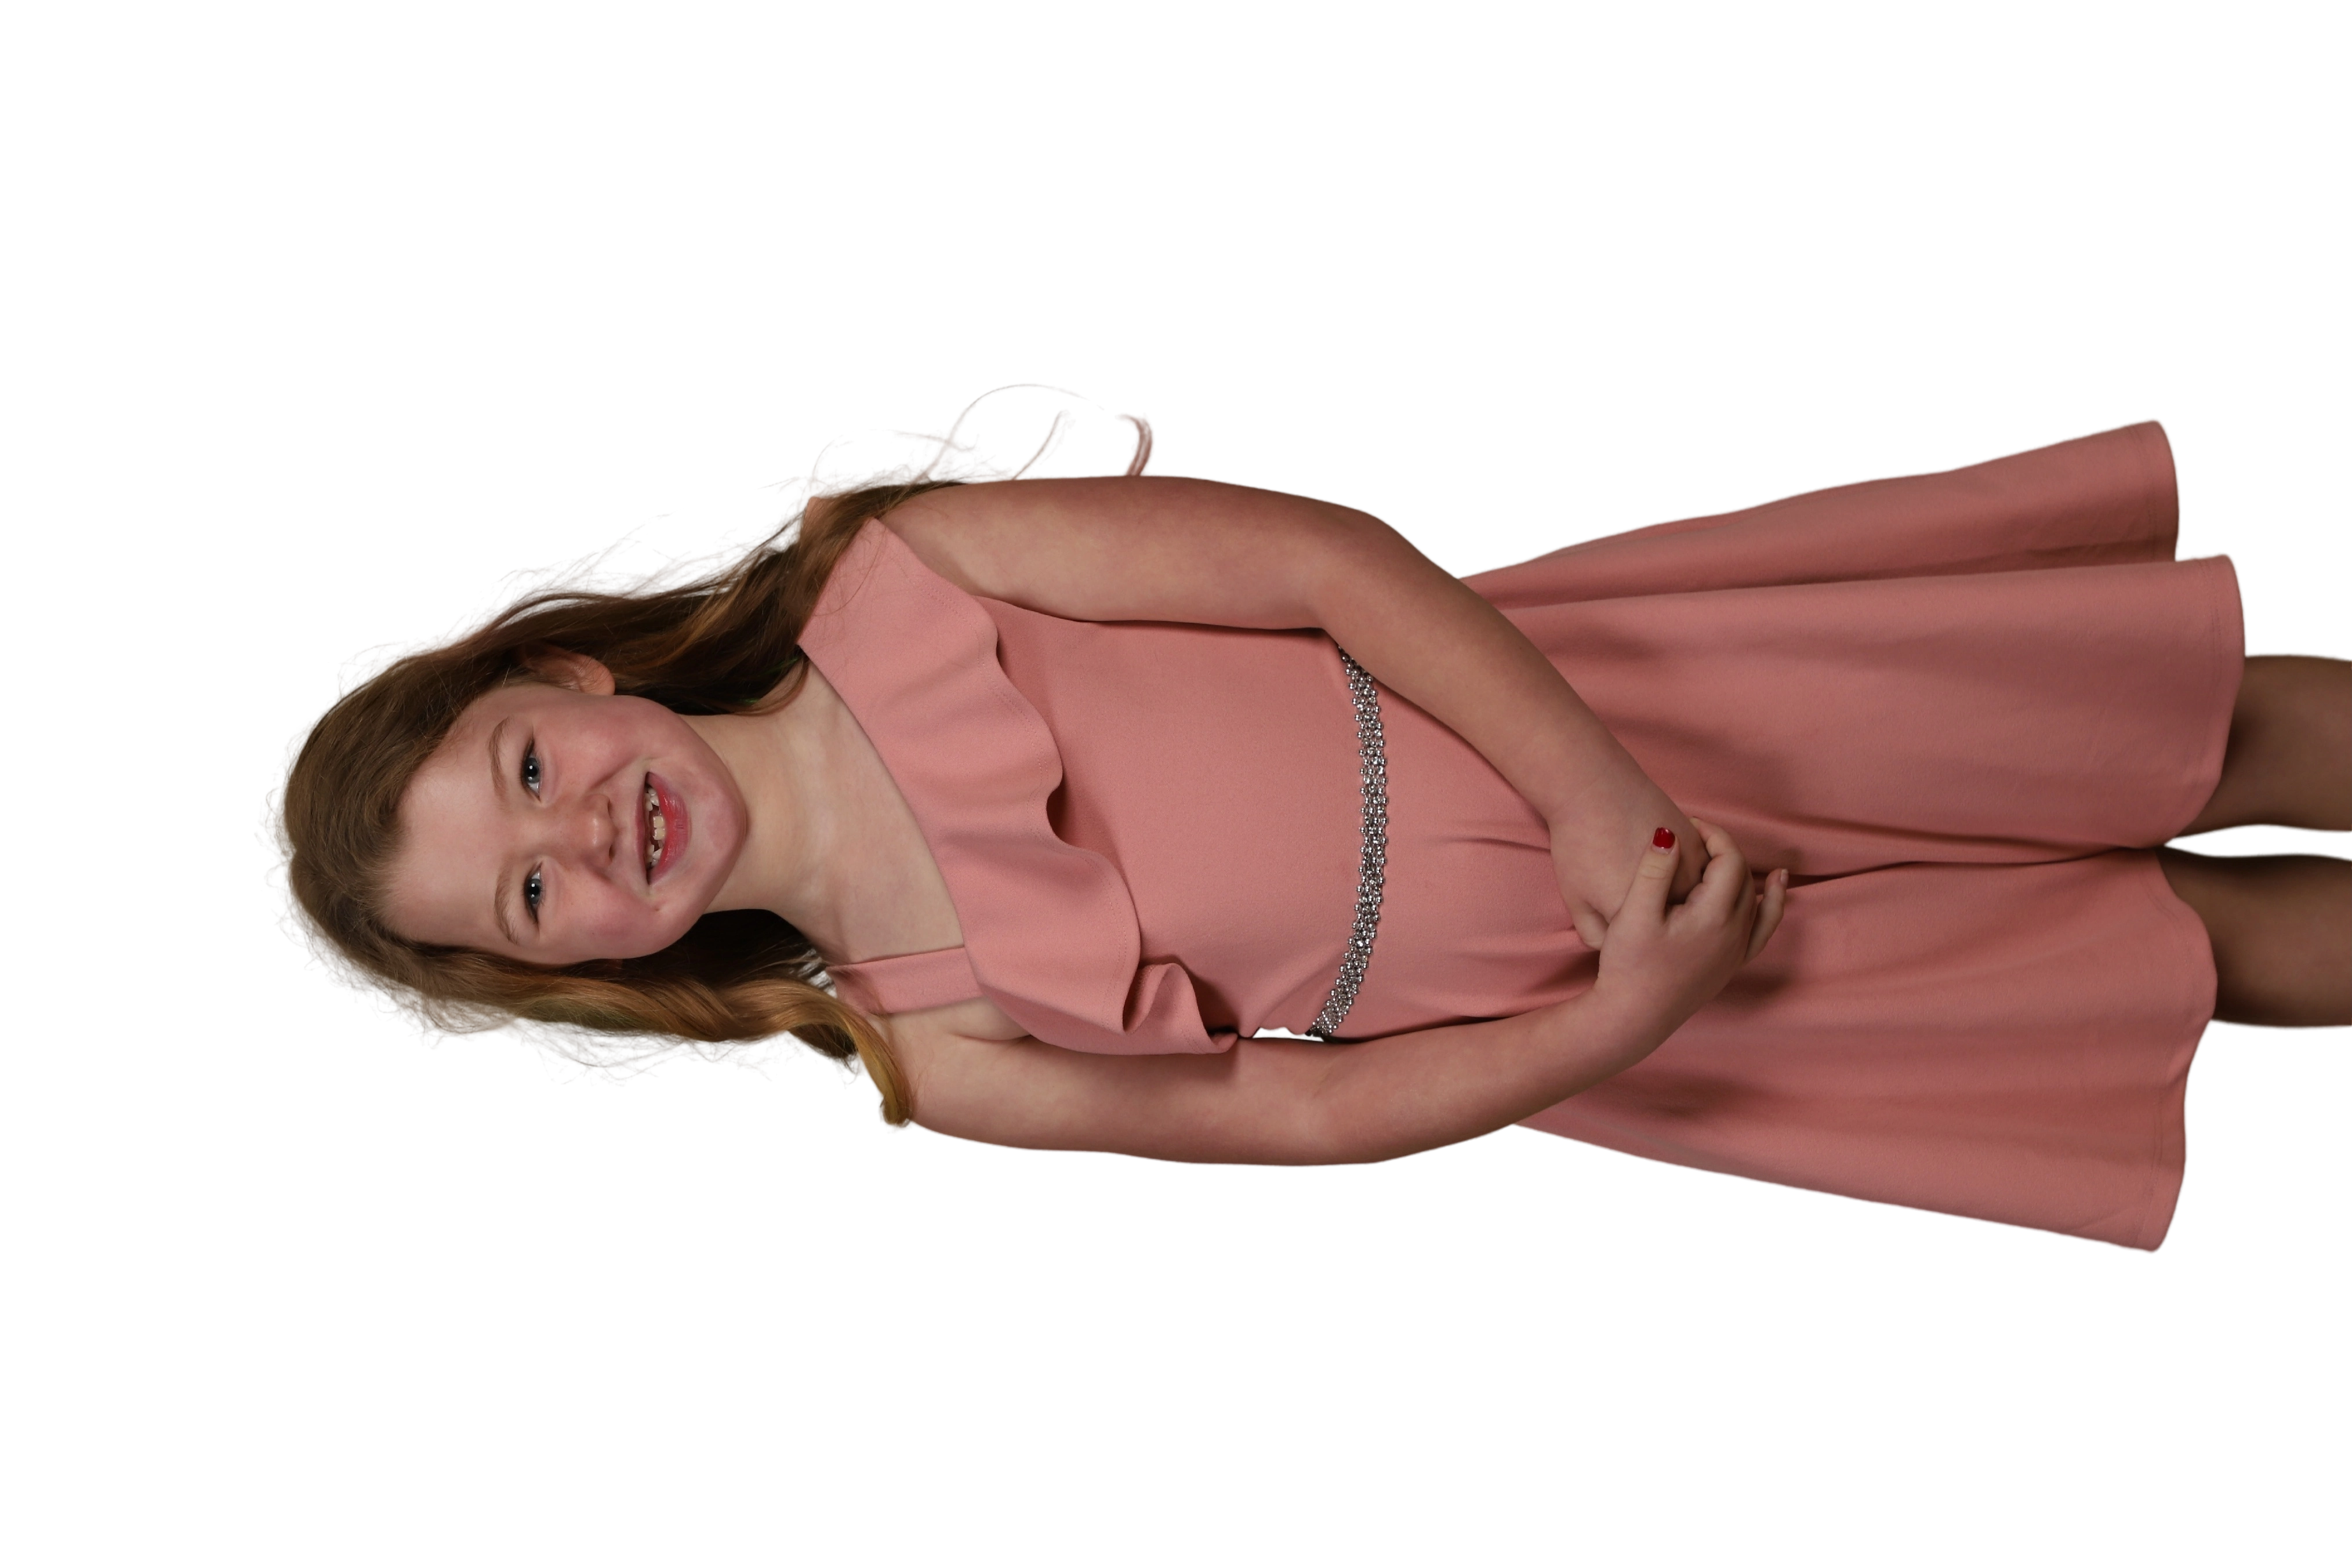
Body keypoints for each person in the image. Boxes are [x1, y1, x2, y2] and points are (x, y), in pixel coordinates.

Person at [256, 387, 2351, 1257]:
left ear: (572, 680)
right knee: (2196, 962)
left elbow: (1321, 565)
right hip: (1639, 989)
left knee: (2205, 731)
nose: (583, 837)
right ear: (588, 975)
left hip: (1617, 714)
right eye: (531, 898)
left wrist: (1593, 796)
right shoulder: (935, 1040)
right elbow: (1307, 1115)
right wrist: (1621, 1017)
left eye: (523, 774)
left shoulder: (923, 577)